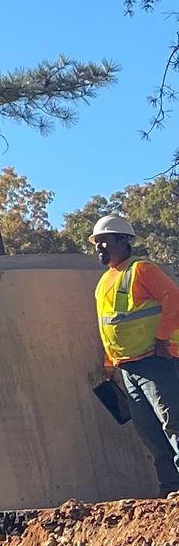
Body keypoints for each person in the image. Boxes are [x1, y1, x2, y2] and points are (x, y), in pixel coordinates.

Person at [90, 207, 179, 494]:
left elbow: (174, 298)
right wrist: (108, 362)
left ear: (123, 242)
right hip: (127, 368)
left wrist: (162, 340)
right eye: (97, 242)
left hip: (155, 361)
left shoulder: (141, 270)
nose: (100, 246)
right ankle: (171, 488)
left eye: (106, 240)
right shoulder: (105, 281)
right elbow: (110, 326)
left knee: (172, 422)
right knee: (150, 432)